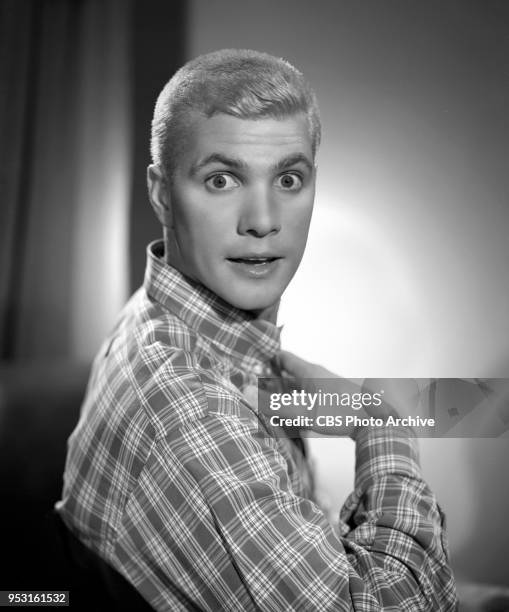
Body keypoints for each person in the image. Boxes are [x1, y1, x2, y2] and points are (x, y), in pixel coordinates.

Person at [56, 49, 458, 611]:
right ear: (161, 193)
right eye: (221, 180)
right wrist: (379, 423)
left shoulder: (169, 314)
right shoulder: (193, 414)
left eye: (289, 178)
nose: (264, 221)